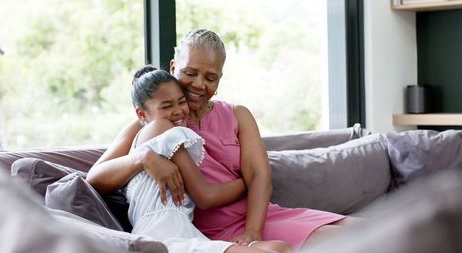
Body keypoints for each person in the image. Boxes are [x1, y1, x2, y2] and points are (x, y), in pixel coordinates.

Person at [87, 29, 357, 249]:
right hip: (205, 230)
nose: (199, 84)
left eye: (210, 77)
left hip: (256, 218)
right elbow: (96, 177)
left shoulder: (237, 114)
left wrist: (253, 230)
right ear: (173, 66)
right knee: (338, 243)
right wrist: (143, 158)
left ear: (219, 80)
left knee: (363, 232)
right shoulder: (155, 121)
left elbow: (260, 177)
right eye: (190, 73)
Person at [119, 65, 290, 253]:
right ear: (142, 114)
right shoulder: (162, 129)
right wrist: (250, 180)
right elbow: (206, 196)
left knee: (279, 247)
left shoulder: (151, 140)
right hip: (162, 236)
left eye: (181, 102)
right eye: (167, 106)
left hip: (182, 231)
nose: (178, 111)